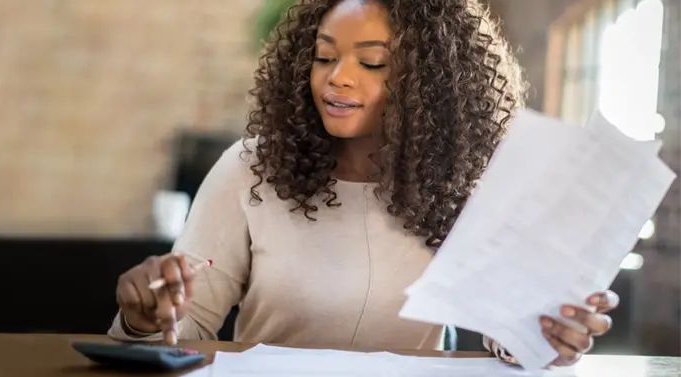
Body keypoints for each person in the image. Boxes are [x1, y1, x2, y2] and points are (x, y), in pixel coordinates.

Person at [108, 0, 618, 368]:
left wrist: (545, 335)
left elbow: (506, 336)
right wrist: (143, 319)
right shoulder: (251, 170)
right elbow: (184, 329)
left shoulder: (467, 188)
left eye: (372, 63)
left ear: (432, 82)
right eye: (325, 57)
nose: (338, 78)